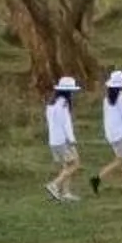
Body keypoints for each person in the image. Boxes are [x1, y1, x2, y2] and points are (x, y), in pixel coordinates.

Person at [44, 75, 84, 203]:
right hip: (63, 141)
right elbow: (66, 124)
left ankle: (66, 193)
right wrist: (72, 139)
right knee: (75, 164)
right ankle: (54, 185)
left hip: (54, 140)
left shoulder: (51, 104)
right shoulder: (63, 104)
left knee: (66, 166)